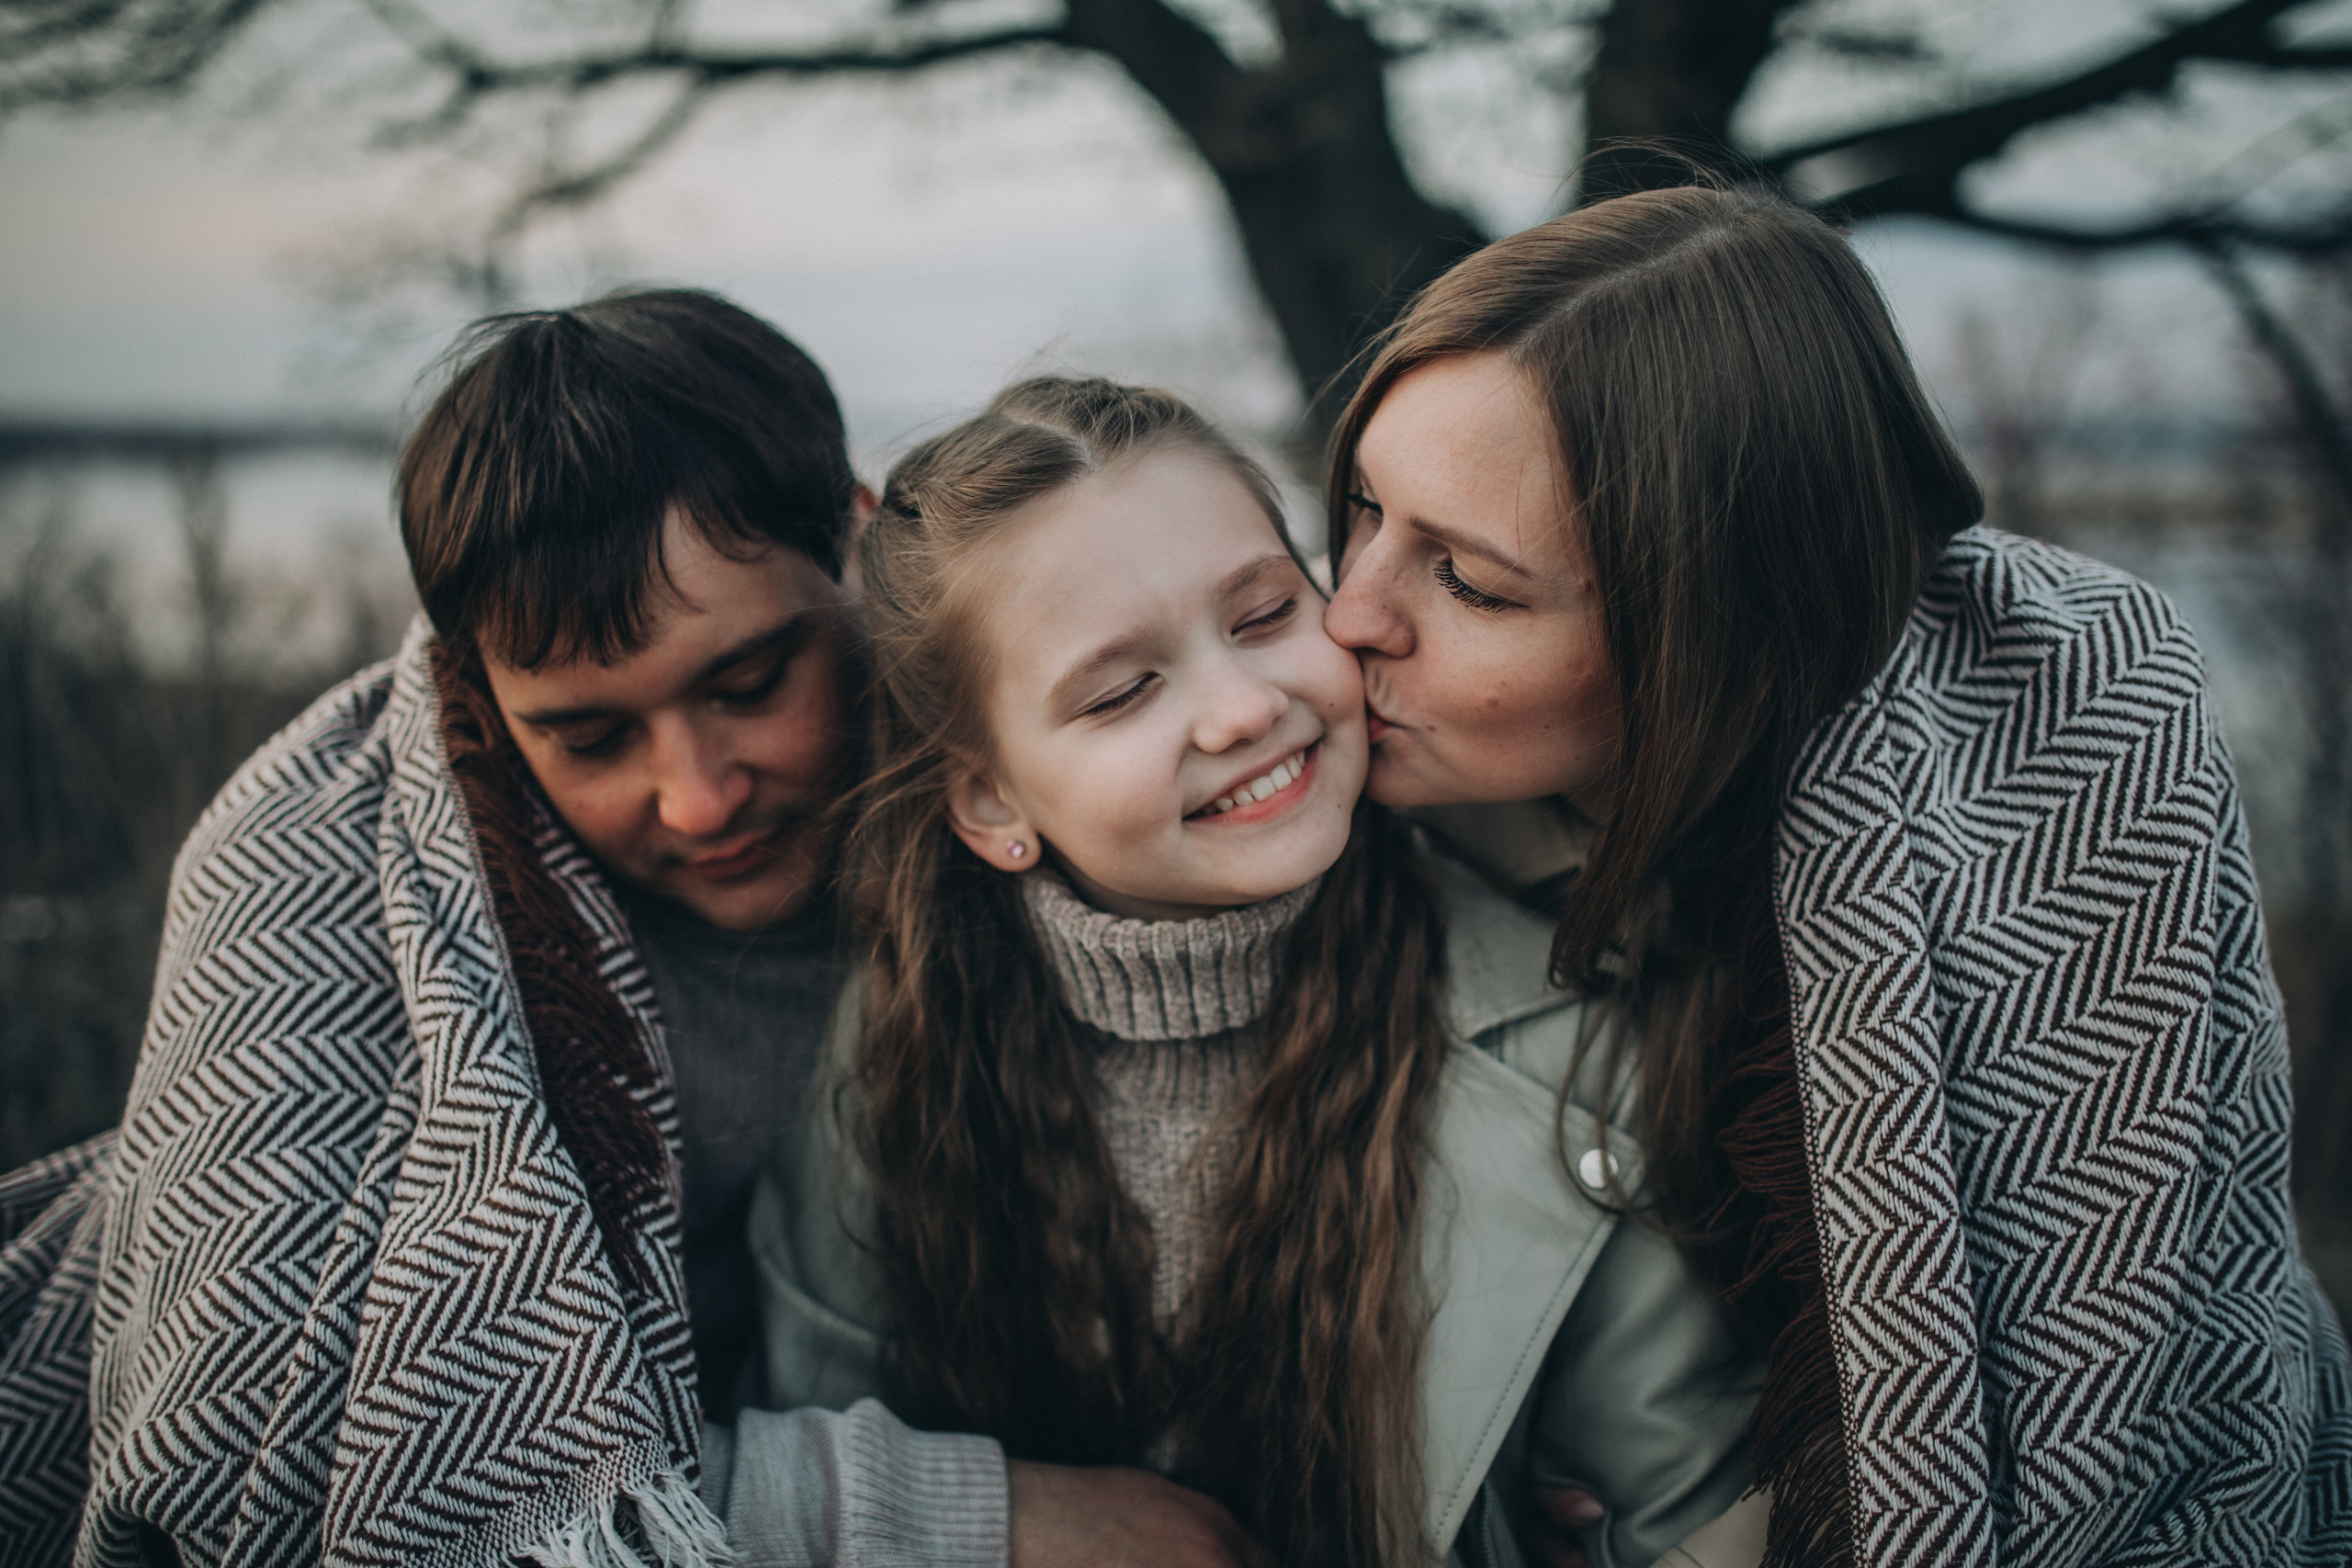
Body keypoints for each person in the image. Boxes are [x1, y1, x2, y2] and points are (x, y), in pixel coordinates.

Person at [0, 291, 1271, 1567]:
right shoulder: (313, 878)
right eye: (592, 736)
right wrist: (966, 1518)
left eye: (750, 681)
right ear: (478, 692)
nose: (697, 795)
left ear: (859, 536)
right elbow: (303, 1468)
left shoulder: (1039, 775)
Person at [1317, 183, 2352, 1565]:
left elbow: (2118, 1419)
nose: (1347, 613)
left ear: (1703, 629)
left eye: (1470, 583)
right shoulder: (1306, 827)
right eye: (1366, 508)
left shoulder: (2052, 816)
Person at [749, 376, 1770, 1568]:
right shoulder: (900, 1053)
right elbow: (808, 1434)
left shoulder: (1573, 1042)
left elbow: (1689, 1513)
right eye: (1123, 689)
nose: (1240, 708)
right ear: (989, 799)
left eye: (1264, 615)